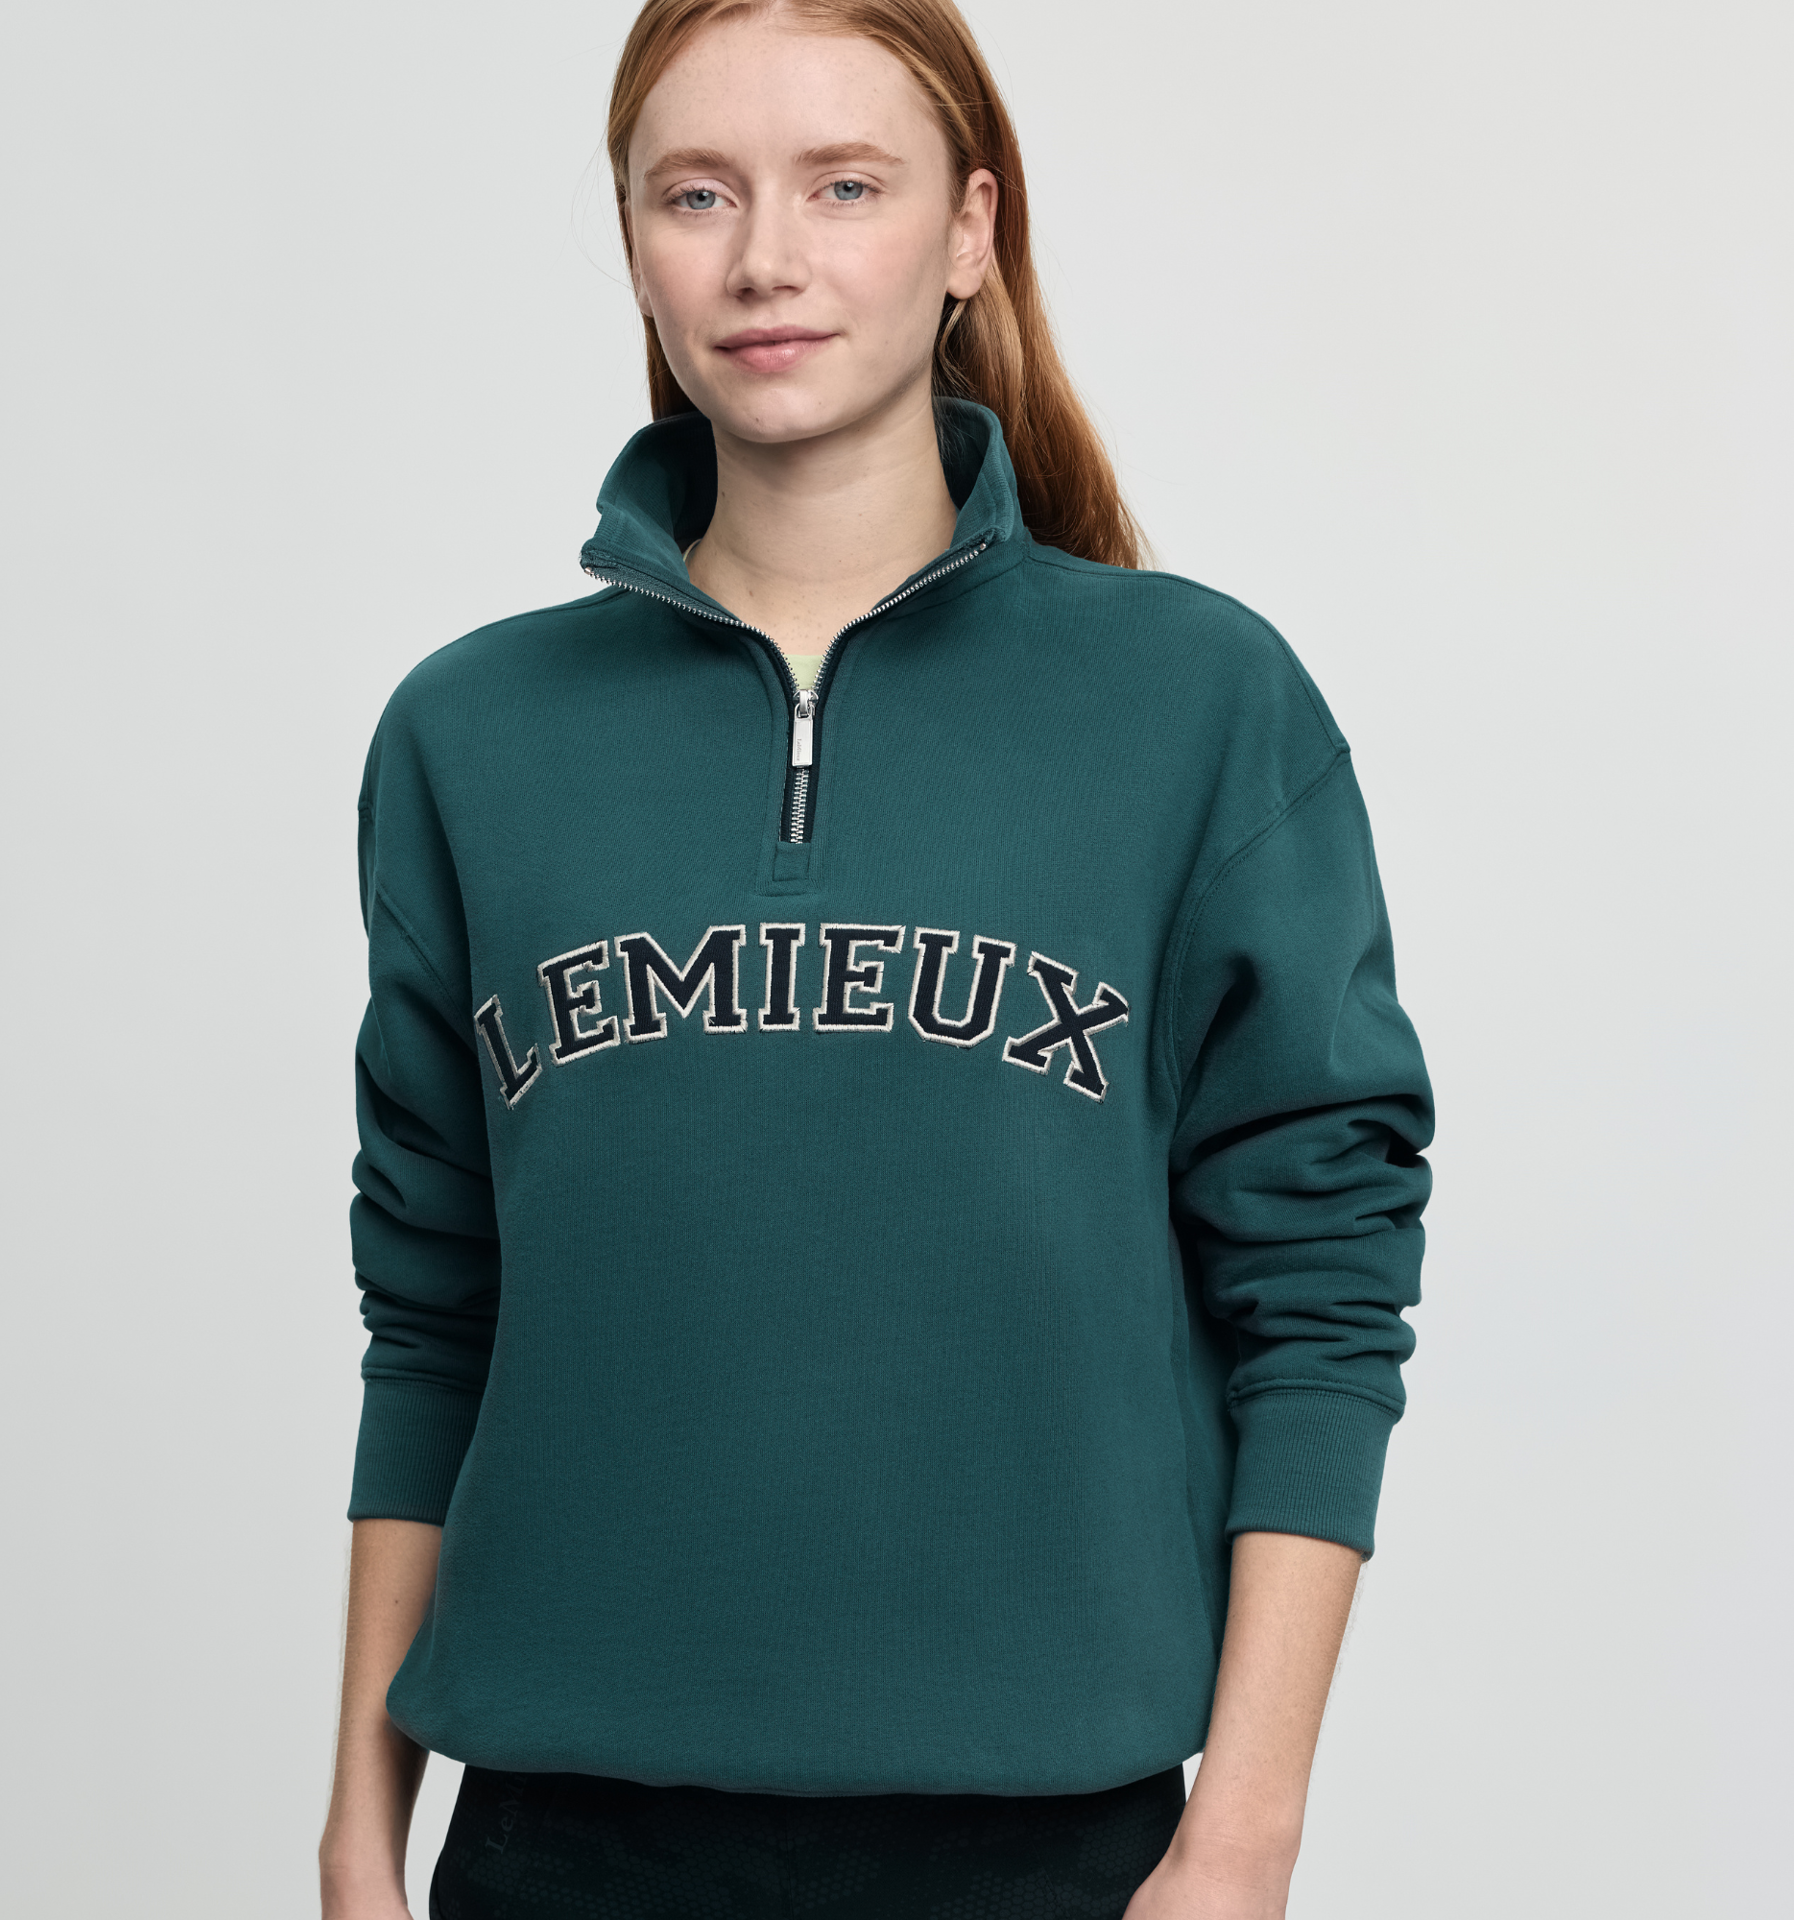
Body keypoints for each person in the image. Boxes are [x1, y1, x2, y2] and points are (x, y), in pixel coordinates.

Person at [317, 2, 1434, 1916]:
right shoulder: (471, 736)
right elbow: (432, 1308)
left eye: (845, 186)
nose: (766, 257)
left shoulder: (1197, 706)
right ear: (633, 243)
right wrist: (360, 1828)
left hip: (1061, 1853)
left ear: (970, 229)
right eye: (697, 194)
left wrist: (1244, 1834)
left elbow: (1322, 1284)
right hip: (559, 1845)